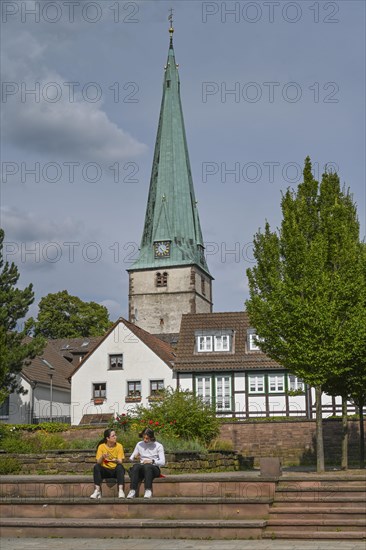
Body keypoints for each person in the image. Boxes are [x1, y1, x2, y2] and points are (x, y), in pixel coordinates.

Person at [127, 427, 165, 499]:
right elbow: (131, 458)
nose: (145, 440)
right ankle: (132, 490)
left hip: (153, 468)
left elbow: (162, 462)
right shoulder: (139, 444)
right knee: (135, 466)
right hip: (142, 466)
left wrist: (152, 461)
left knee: (147, 466)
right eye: (143, 438)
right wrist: (135, 457)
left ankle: (148, 490)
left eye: (147, 438)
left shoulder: (158, 446)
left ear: (152, 437)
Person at [90, 428, 126, 499]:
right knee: (96, 467)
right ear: (107, 438)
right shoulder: (101, 447)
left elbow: (120, 461)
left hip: (115, 470)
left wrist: (115, 460)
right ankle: (97, 491)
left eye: (115, 435)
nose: (115, 437)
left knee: (120, 467)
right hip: (105, 470)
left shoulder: (119, 446)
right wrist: (102, 457)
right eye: (113, 436)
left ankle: (121, 491)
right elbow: (98, 462)